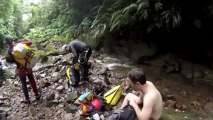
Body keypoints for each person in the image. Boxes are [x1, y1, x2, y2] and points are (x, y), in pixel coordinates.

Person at [4, 36, 40, 104]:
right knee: (32, 80)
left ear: (7, 43)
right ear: (13, 40)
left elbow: (13, 61)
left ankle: (27, 100)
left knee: (24, 84)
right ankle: (37, 95)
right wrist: (24, 40)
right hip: (28, 65)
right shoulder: (20, 45)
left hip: (20, 68)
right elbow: (30, 42)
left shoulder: (9, 51)